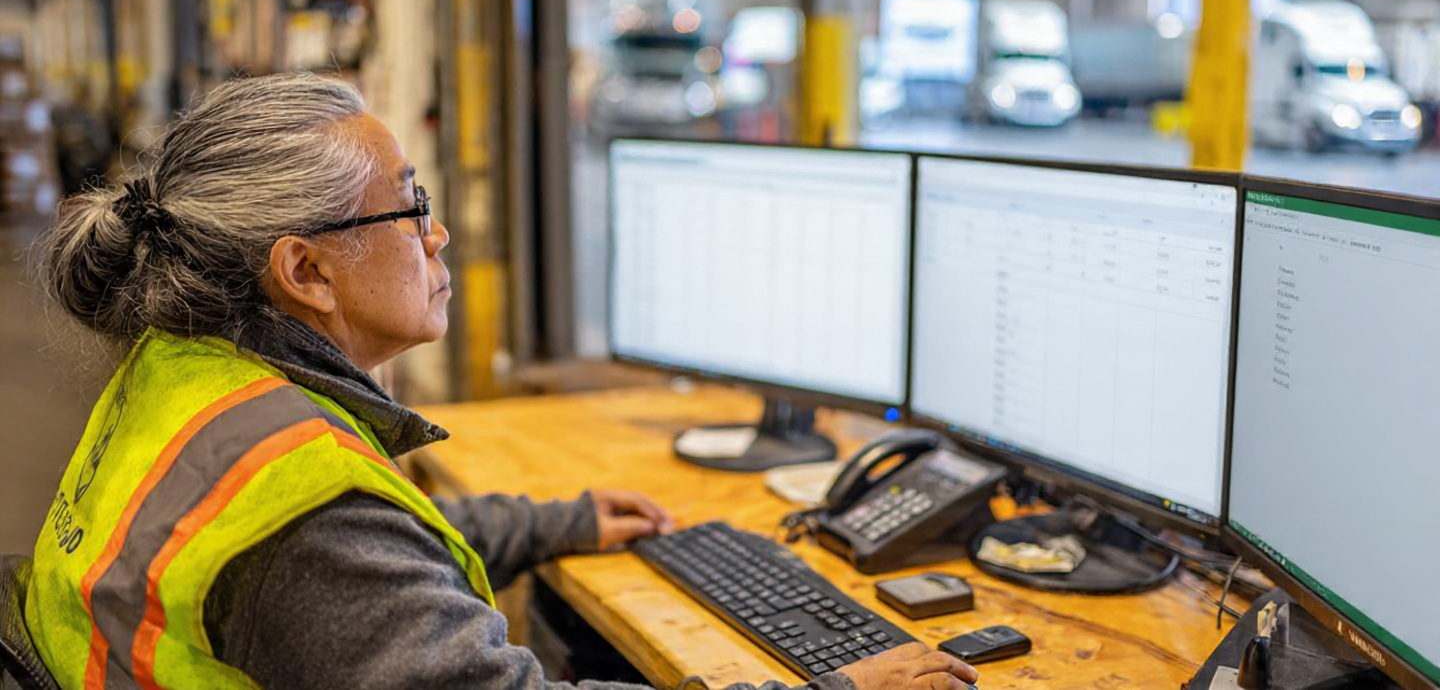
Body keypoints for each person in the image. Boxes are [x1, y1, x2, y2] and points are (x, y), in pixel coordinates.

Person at [28, 73, 980, 690]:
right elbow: (341, 562)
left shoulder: (187, 371)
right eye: (410, 207)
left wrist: (556, 523)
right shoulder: (304, 516)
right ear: (305, 272)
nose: (435, 234)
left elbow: (373, 559)